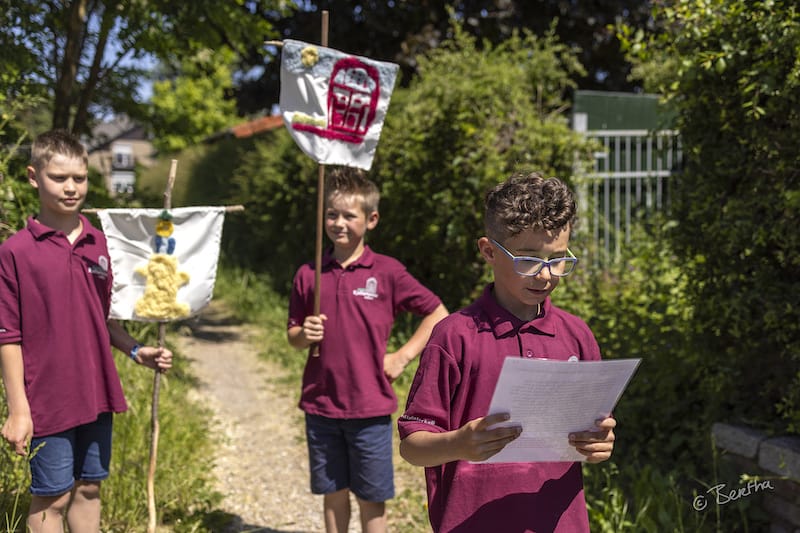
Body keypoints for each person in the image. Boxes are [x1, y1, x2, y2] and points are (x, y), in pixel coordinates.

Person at [397, 171, 616, 532]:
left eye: (558, 260)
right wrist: (460, 444)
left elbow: (592, 434)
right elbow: (412, 447)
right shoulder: (454, 336)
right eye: (529, 259)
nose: (545, 276)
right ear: (488, 251)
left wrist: (600, 444)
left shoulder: (577, 336)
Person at [0, 129, 173, 533]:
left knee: (90, 489)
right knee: (52, 497)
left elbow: (101, 318)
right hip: (47, 397)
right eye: (59, 178)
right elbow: (8, 336)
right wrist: (18, 409)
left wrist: (135, 350)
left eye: (79, 178)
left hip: (96, 392)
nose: (71, 187)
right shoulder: (15, 252)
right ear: (33, 176)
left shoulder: (99, 243)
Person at [287, 167, 448, 533]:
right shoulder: (308, 273)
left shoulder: (388, 272)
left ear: (371, 219)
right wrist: (303, 334)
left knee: (371, 496)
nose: (338, 223)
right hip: (321, 403)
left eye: (349, 215)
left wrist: (402, 356)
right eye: (331, 214)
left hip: (370, 405)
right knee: (332, 491)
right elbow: (293, 335)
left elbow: (437, 313)